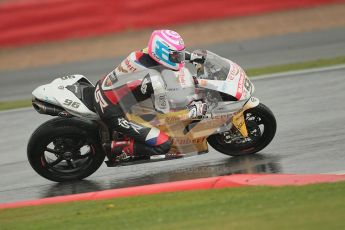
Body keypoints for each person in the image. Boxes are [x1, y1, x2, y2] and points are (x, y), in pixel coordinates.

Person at [93, 29, 207, 163]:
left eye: (180, 54)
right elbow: (165, 113)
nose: (179, 58)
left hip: (103, 87)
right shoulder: (155, 80)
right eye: (176, 56)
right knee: (164, 144)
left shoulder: (147, 53)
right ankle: (117, 149)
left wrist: (192, 57)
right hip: (112, 112)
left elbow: (169, 59)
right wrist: (191, 111)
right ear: (162, 53)